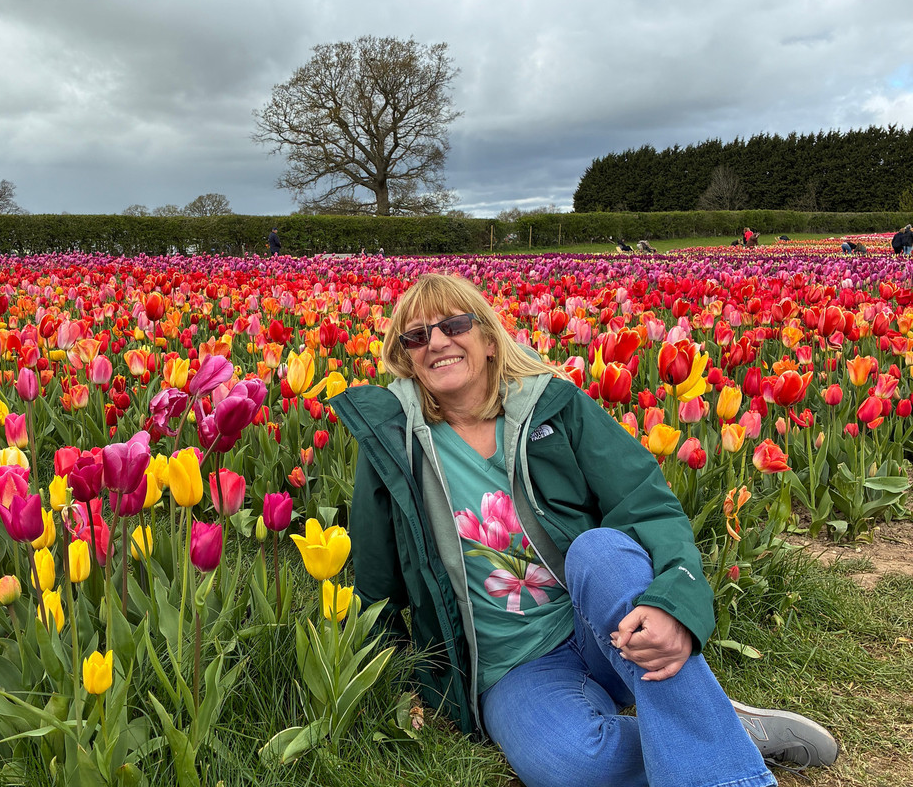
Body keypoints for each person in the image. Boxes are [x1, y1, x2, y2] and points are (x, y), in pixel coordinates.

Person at [332, 274, 837, 787]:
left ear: (488, 338)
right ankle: (714, 727)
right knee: (575, 767)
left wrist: (673, 606)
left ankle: (724, 771)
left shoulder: (553, 406)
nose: (436, 342)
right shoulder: (394, 444)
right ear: (406, 356)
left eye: (452, 325)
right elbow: (378, 572)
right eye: (415, 336)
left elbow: (645, 503)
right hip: (513, 668)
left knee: (601, 551)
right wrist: (398, 679)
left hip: (602, 623)